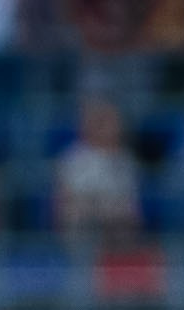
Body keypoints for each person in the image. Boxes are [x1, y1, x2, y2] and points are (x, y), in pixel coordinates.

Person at [53, 97, 142, 241]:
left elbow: (132, 207)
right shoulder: (73, 158)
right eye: (108, 123)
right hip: (84, 225)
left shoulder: (125, 159)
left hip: (116, 226)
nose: (116, 128)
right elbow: (67, 204)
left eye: (116, 123)